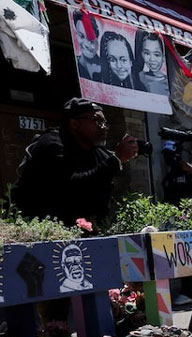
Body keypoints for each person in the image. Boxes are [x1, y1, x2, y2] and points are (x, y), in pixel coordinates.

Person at [11, 98, 139, 225]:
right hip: (40, 228)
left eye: (105, 123)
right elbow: (71, 186)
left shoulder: (96, 151)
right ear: (74, 124)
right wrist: (115, 160)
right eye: (97, 121)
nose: (104, 128)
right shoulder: (52, 144)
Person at [72, 11, 102, 81]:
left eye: (90, 38)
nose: (86, 44)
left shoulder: (109, 68)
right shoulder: (72, 62)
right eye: (81, 36)